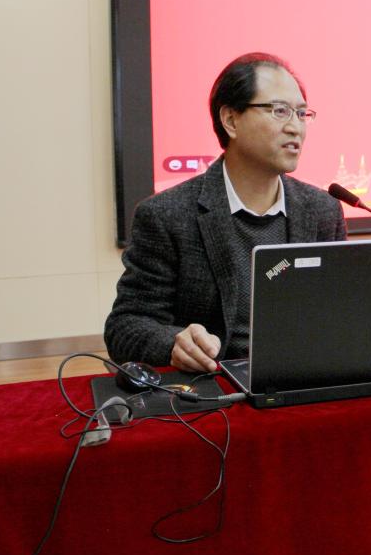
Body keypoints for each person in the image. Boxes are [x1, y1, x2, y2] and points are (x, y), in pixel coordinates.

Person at [104, 53, 346, 372]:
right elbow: (126, 326)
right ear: (231, 120)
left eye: (302, 114)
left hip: (300, 380)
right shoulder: (167, 215)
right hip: (214, 387)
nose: (295, 127)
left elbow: (341, 312)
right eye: (280, 111)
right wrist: (174, 343)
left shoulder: (322, 210)